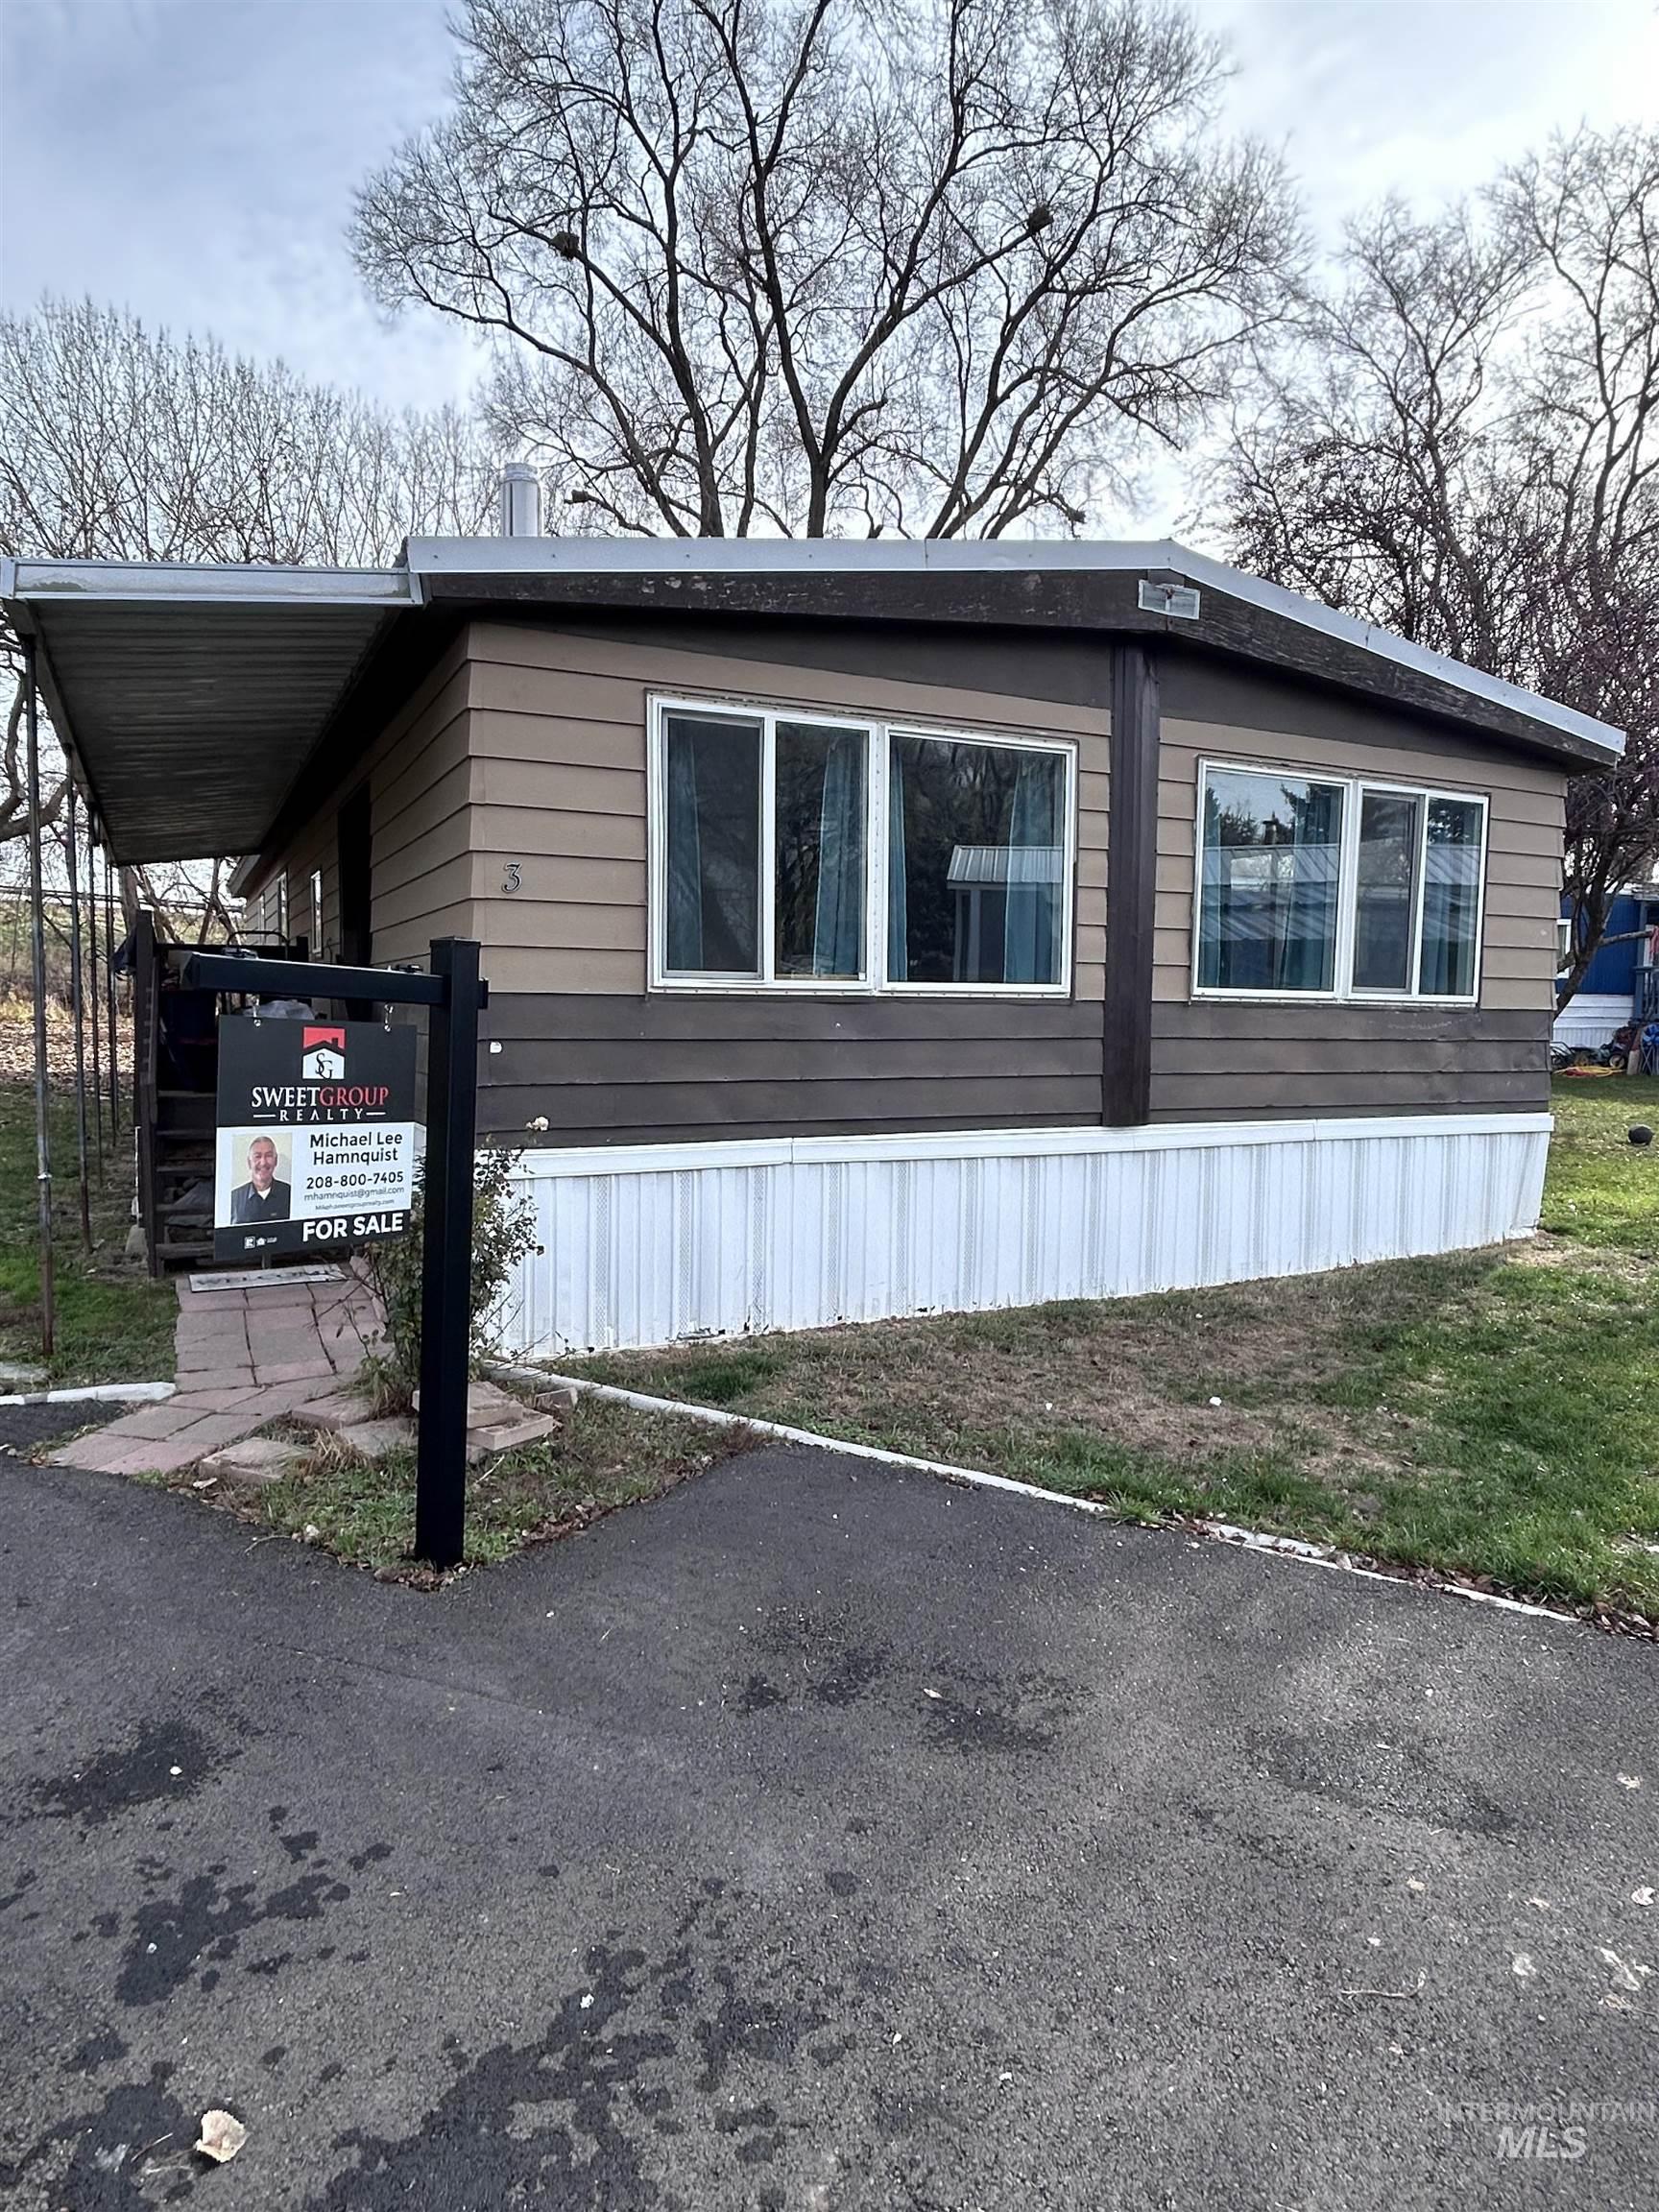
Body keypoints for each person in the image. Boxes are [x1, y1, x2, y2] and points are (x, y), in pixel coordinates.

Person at [228, 1136, 291, 1224]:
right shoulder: (234, 1198)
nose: (263, 1162)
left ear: (276, 1160)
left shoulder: (290, 1194)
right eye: (257, 1156)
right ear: (249, 1162)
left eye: (269, 1156)